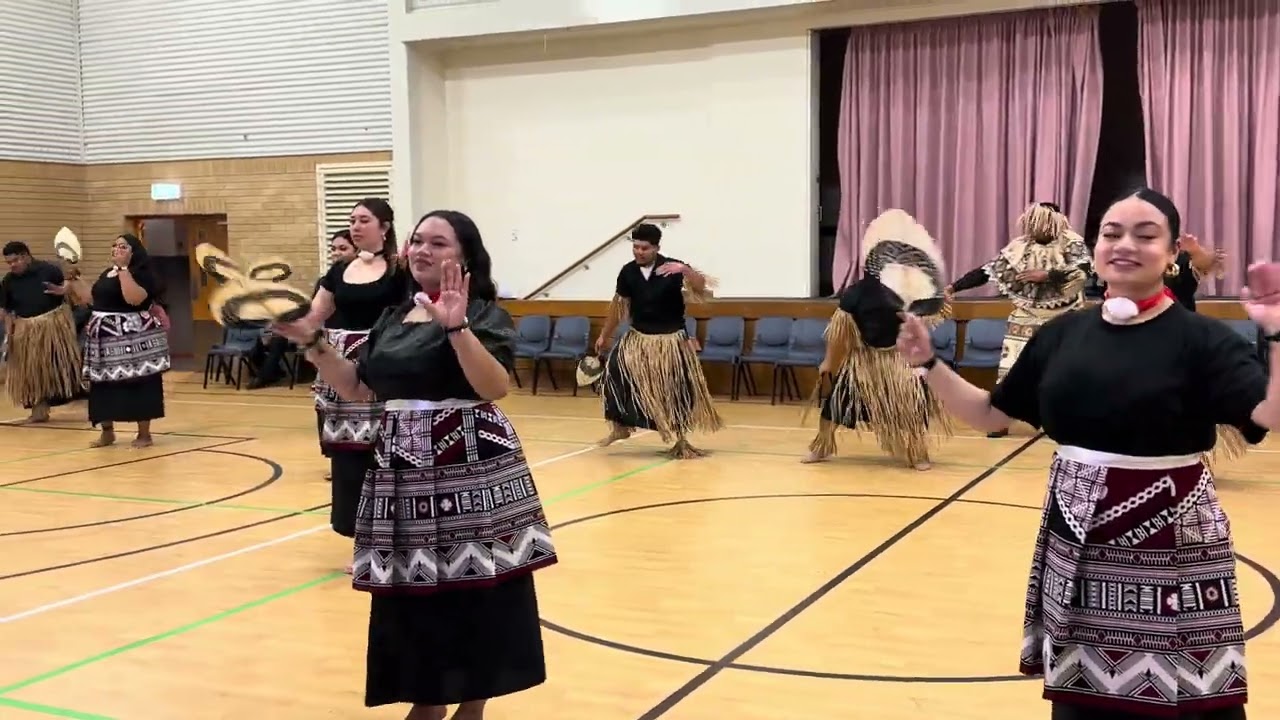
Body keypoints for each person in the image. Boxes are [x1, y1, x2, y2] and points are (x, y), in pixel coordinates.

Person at [895, 187, 1279, 720]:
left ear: (1172, 255)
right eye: (1112, 233)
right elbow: (989, 415)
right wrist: (928, 364)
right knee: (1083, 694)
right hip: (1076, 532)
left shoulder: (1202, 339)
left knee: (1189, 697)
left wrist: (1277, 335)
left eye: (1146, 236)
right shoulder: (1061, 335)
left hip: (1175, 535)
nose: (1125, 244)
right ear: (1095, 247)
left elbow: (1268, 415)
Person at [272, 210, 556, 720]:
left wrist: (457, 327)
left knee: (478, 588)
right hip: (403, 468)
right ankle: (427, 699)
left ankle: (472, 705)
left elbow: (494, 388)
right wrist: (312, 343)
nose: (423, 249)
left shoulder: (486, 313)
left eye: (439, 243)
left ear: (464, 256)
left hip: (472, 466)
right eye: (418, 240)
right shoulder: (392, 318)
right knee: (413, 591)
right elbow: (359, 389)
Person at [804, 213, 953, 469]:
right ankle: (822, 446)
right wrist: (829, 362)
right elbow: (839, 331)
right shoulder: (857, 293)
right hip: (864, 361)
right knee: (835, 405)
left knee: (913, 406)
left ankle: (918, 452)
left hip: (898, 360)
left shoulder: (908, 290)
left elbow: (932, 310)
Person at [305, 200, 404, 569]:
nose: (356, 226)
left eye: (364, 220)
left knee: (386, 457)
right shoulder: (339, 271)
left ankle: (393, 541)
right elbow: (316, 316)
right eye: (352, 220)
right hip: (341, 375)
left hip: (382, 368)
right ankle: (361, 542)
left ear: (385, 226)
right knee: (349, 460)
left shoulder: (399, 271)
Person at [945, 202, 1092, 437]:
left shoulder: (1071, 242)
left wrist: (1048, 275)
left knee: (1065, 369)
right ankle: (1000, 420)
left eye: (1039, 224)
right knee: (1011, 369)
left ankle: (1067, 420)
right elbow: (987, 271)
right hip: (1025, 315)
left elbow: (1085, 269)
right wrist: (954, 287)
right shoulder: (1020, 247)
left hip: (1064, 316)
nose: (1034, 230)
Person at [594, 223, 723, 459]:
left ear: (656, 248)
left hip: (670, 341)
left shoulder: (672, 268)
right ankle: (620, 427)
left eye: (644, 248)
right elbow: (619, 306)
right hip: (638, 338)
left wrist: (685, 270)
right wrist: (605, 334)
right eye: (635, 247)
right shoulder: (628, 272)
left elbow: (700, 287)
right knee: (613, 374)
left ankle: (682, 440)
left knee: (678, 388)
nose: (639, 252)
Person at [82, 234, 171, 448]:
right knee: (102, 383)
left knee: (139, 382)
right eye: (114, 246)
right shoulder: (107, 273)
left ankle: (144, 434)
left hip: (133, 337)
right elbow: (93, 300)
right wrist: (74, 283)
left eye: (123, 247)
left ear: (134, 252)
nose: (116, 250)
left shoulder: (142, 274)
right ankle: (107, 432)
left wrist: (123, 270)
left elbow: (134, 299)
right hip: (103, 338)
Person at [0, 241, 84, 423]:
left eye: (15, 260)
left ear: (25, 256)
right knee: (32, 373)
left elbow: (71, 293)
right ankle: (39, 410)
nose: (12, 265)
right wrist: (9, 336)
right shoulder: (8, 281)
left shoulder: (49, 270)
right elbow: (5, 310)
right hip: (26, 330)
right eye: (9, 262)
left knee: (60, 367)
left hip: (53, 327)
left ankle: (90, 401)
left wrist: (65, 289)